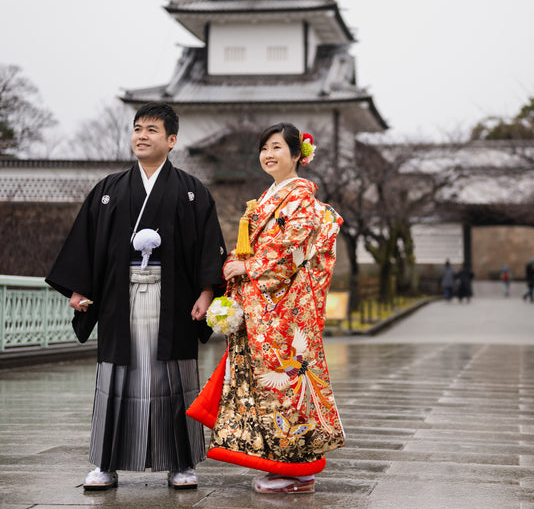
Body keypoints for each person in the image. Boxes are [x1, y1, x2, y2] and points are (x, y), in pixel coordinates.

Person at [46, 102, 227, 491]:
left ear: (172, 140)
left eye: (152, 130)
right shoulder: (109, 190)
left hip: (174, 298)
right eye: (137, 128)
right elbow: (87, 244)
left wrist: (208, 291)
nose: (141, 136)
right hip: (118, 297)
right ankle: (106, 464)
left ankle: (180, 463)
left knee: (174, 377)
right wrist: (79, 289)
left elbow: (207, 246)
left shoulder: (193, 192)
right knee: (117, 376)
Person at [187, 122, 345, 495]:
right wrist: (236, 266)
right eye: (264, 149)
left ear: (297, 155)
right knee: (268, 385)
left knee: (284, 383)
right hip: (264, 305)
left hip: (285, 309)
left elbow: (294, 247)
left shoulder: (301, 197)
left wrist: (250, 266)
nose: (268, 155)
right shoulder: (269, 196)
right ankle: (286, 463)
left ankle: (293, 466)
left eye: (277, 148)